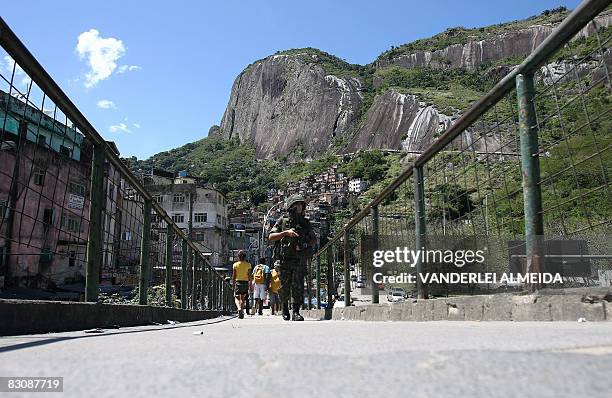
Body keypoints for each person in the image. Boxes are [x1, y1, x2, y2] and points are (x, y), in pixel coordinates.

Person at [268, 194, 317, 321]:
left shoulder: (305, 223)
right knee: (284, 287)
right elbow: (271, 237)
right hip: (284, 259)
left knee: (299, 286)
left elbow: (313, 239)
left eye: (301, 204)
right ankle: (285, 308)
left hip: (299, 259)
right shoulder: (282, 221)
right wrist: (285, 233)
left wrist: (305, 244)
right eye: (297, 204)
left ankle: (296, 312)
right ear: (291, 206)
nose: (300, 207)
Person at [231, 251, 252, 319]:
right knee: (243, 298)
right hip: (245, 283)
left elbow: (234, 276)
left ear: (238, 257)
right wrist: (250, 284)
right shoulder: (248, 265)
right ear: (245, 257)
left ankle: (239, 308)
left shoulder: (235, 265)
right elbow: (249, 276)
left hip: (238, 282)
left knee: (236, 297)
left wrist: (233, 285)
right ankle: (242, 310)